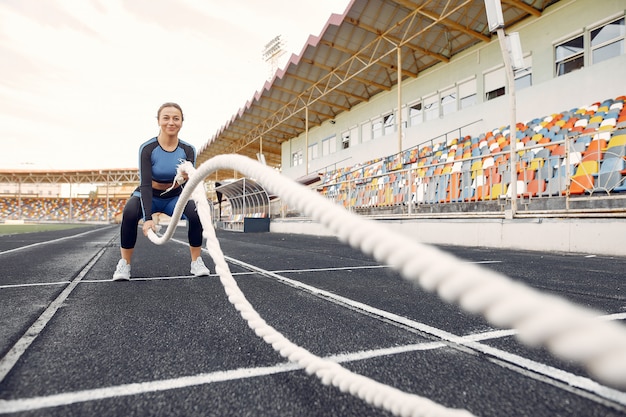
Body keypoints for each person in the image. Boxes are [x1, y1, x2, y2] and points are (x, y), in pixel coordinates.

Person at [113, 102, 210, 280]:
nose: (171, 122)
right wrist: (148, 218)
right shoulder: (147, 148)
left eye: (176, 118)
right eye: (166, 118)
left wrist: (186, 178)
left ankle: (196, 262)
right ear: (158, 121)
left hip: (175, 197)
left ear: (181, 122)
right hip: (149, 193)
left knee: (196, 213)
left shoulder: (188, 150)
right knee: (129, 212)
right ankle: (124, 264)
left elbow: (189, 183)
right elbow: (145, 185)